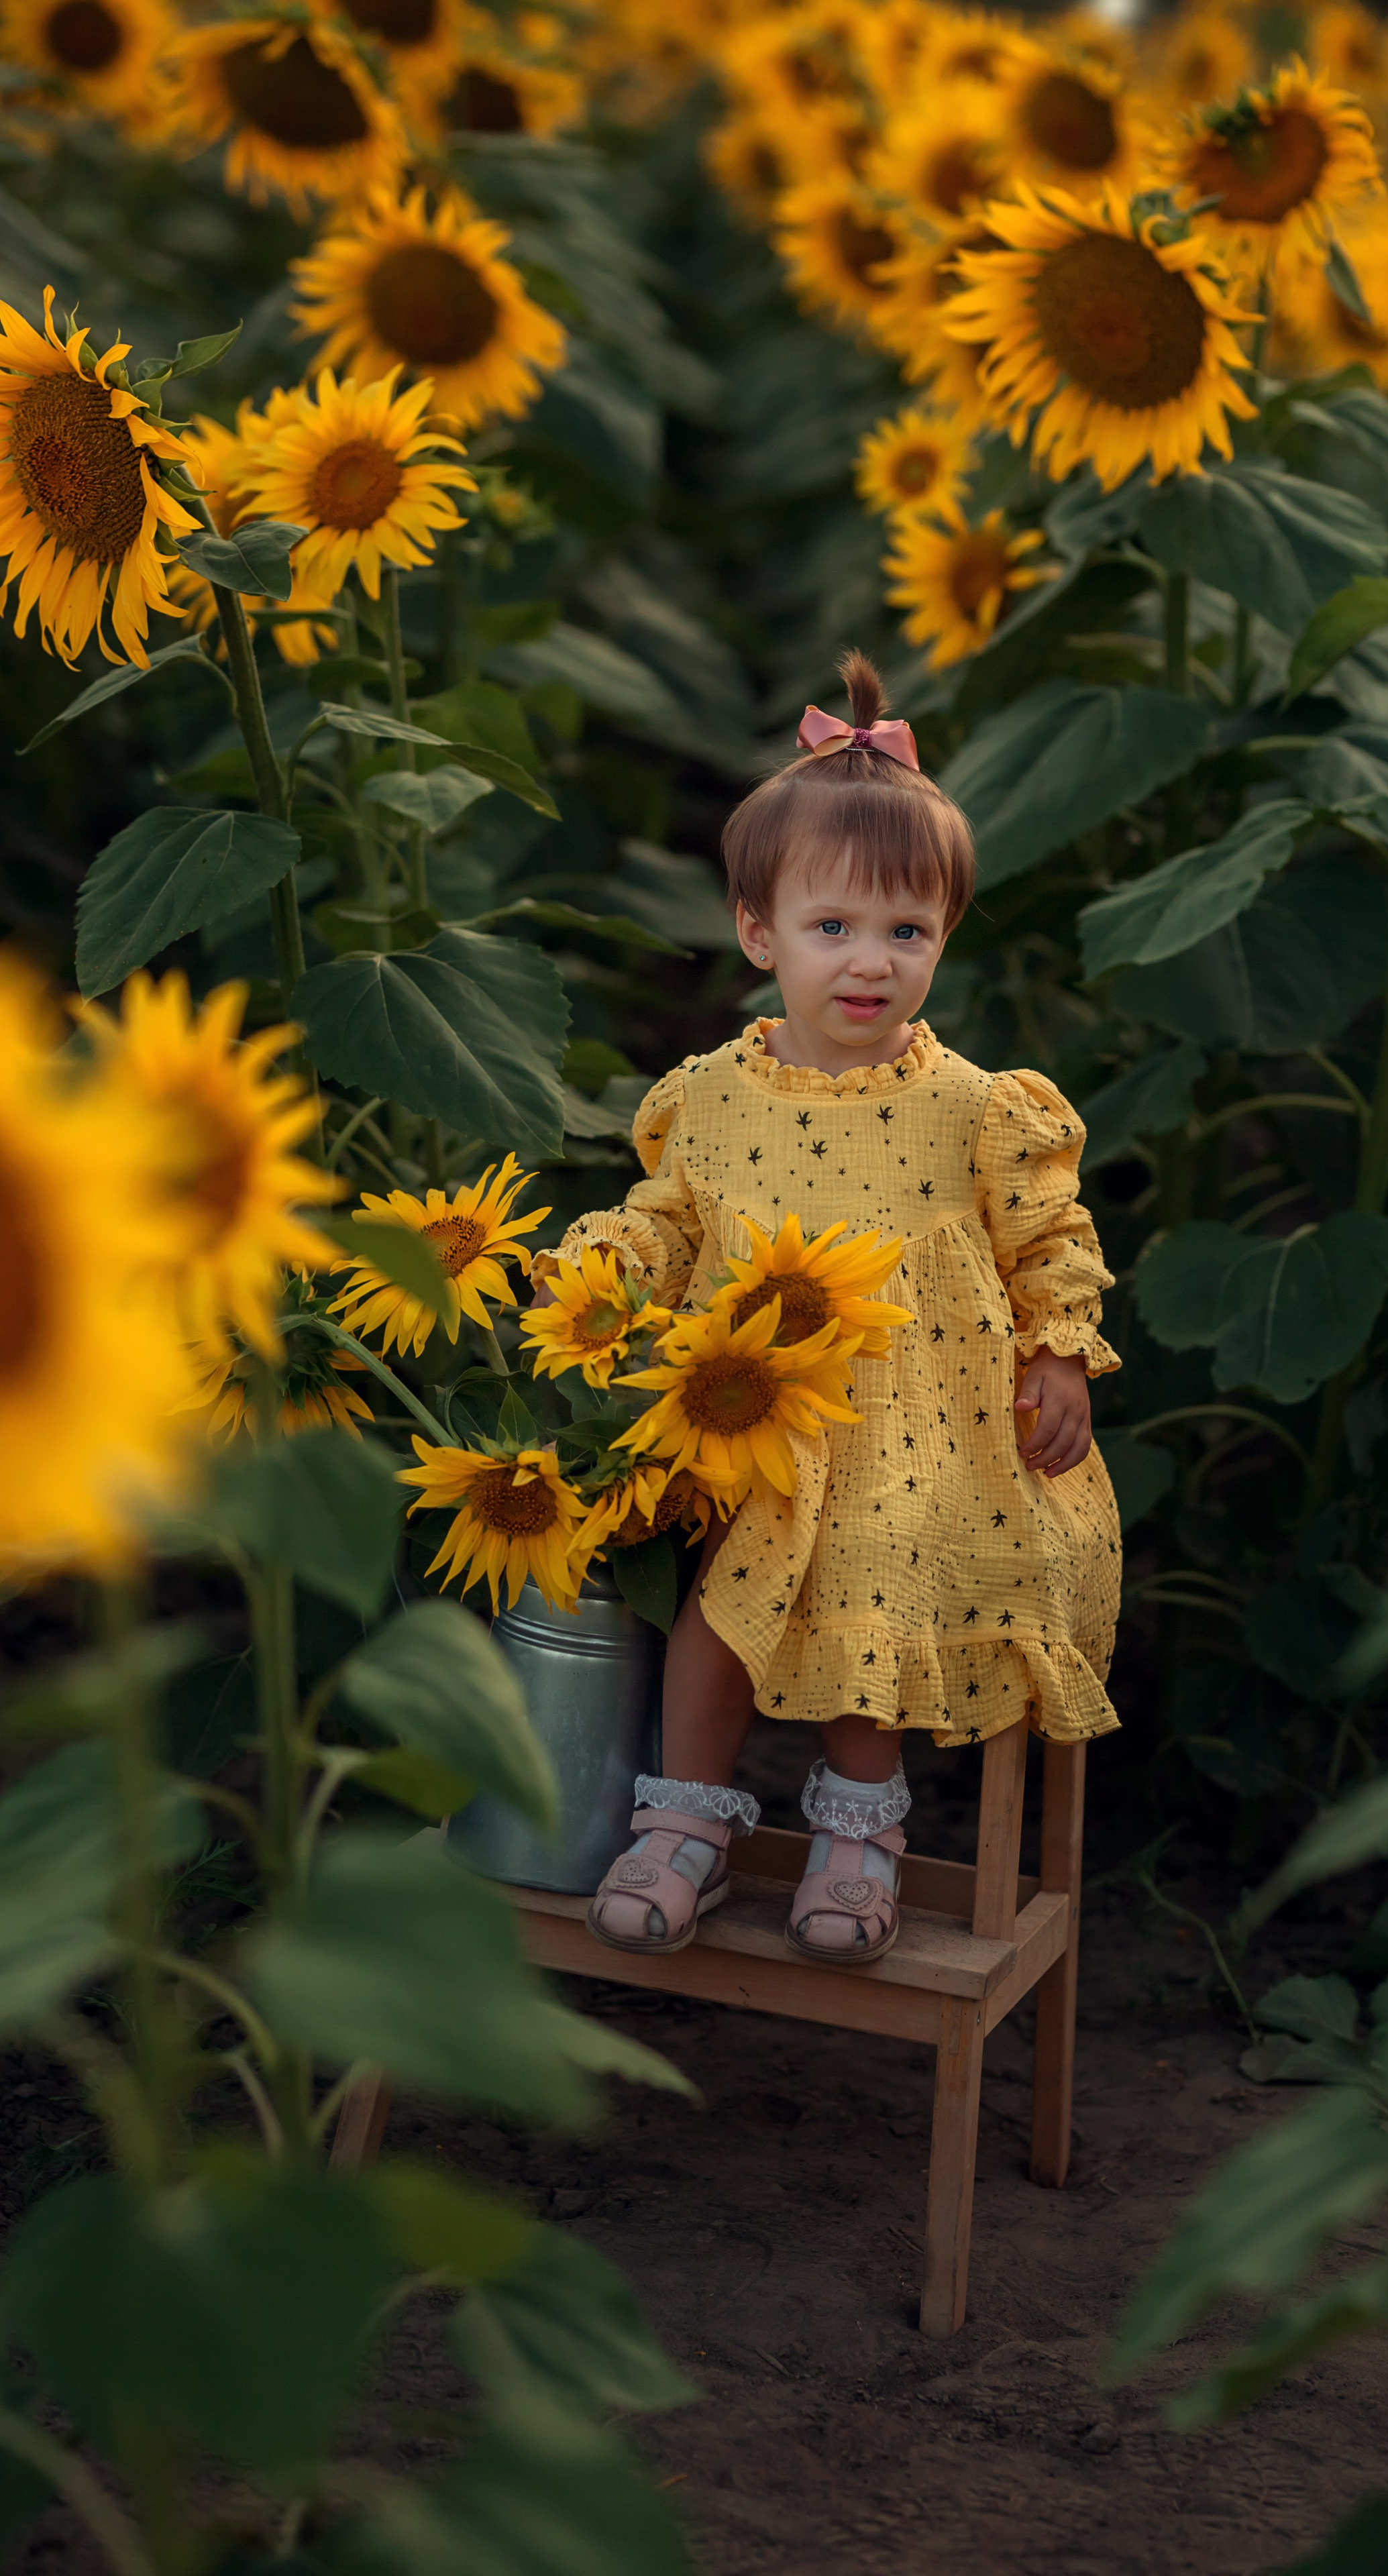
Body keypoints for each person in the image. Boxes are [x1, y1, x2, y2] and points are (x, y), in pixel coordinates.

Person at [543, 649, 1121, 1966]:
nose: (871, 964)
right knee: (713, 1621)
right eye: (833, 929)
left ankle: (859, 1839)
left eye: (906, 933)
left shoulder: (973, 1109)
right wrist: (603, 1271)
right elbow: (667, 1219)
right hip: (744, 1421)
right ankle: (683, 1826)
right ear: (760, 934)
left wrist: (1057, 1354)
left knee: (870, 1615)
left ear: (943, 938)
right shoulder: (712, 1096)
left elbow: (1050, 1238)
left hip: (910, 1442)